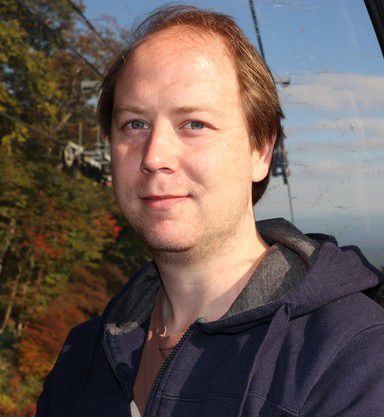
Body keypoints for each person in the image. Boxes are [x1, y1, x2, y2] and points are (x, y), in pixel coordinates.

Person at [36, 5, 384, 417]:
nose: (155, 156)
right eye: (134, 124)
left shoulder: (349, 360)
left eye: (194, 124)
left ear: (261, 150)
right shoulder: (83, 357)